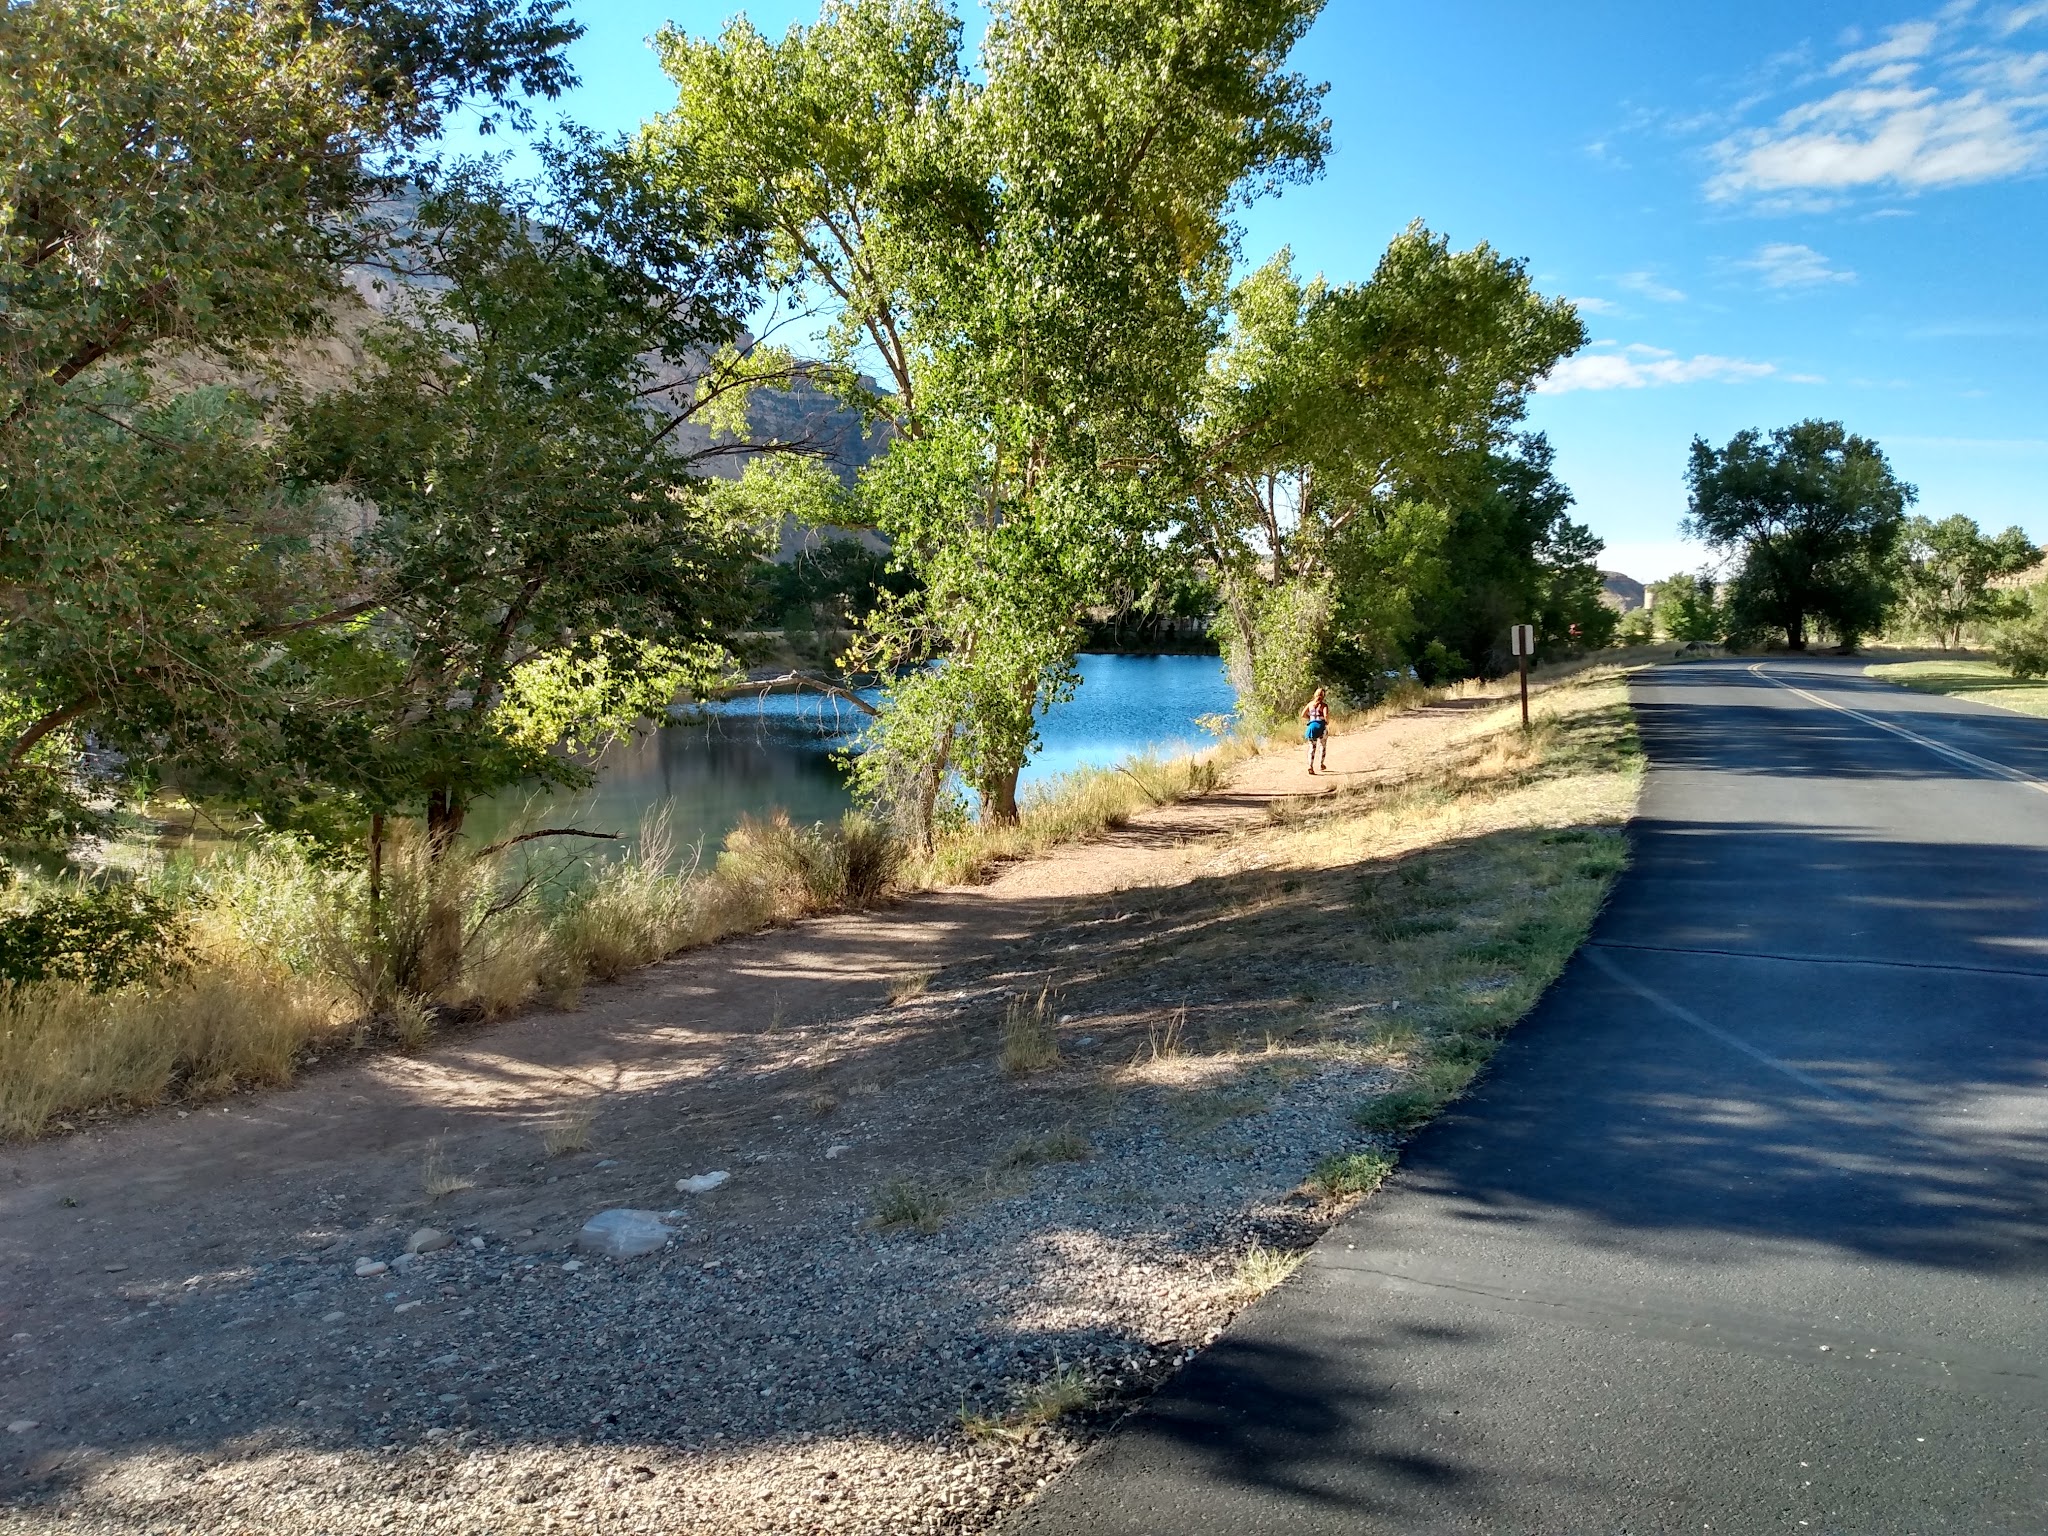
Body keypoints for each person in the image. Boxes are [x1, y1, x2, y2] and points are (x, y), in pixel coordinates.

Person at [1301, 686, 1330, 774]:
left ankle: (1310, 766)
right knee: (1322, 746)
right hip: (1321, 726)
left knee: (1312, 747)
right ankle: (1321, 764)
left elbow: (1303, 714)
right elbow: (1326, 715)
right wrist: (1327, 722)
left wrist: (1310, 718)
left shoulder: (1310, 704)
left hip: (1311, 726)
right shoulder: (1324, 705)